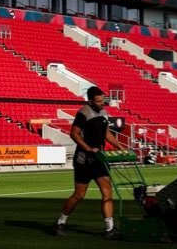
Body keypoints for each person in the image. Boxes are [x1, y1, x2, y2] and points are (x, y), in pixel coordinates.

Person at [53, 86, 125, 240]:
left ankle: (109, 229)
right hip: (84, 159)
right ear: (90, 101)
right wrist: (88, 148)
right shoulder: (83, 112)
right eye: (98, 101)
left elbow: (106, 133)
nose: (101, 103)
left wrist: (119, 146)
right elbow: (74, 133)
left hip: (99, 158)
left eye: (103, 100)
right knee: (79, 194)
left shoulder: (104, 113)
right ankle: (60, 222)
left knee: (107, 192)